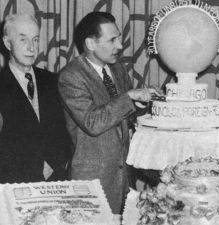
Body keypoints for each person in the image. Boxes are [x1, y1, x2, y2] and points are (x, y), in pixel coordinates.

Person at [58, 11, 161, 214]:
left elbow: (123, 117)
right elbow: (93, 122)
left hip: (124, 179)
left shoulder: (118, 71)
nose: (120, 46)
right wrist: (130, 96)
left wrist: (139, 105)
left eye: (119, 38)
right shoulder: (71, 76)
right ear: (90, 43)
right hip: (92, 182)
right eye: (112, 40)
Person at [0, 14, 71, 183]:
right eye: (23, 40)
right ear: (7, 43)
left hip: (56, 180)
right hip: (13, 183)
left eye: (36, 39)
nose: (31, 48)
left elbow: (63, 130)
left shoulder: (53, 80)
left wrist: (59, 164)